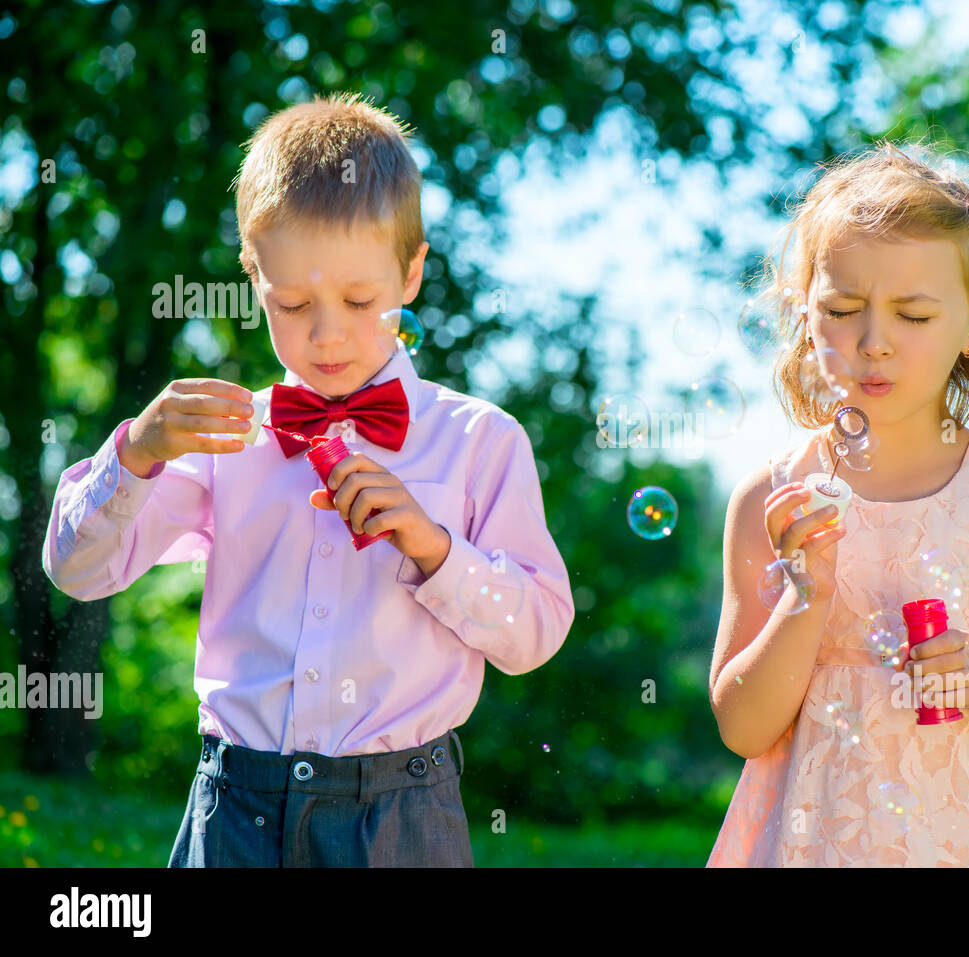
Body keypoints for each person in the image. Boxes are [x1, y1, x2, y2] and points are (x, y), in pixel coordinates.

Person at [41, 93, 575, 867]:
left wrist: (434, 546)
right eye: (291, 303)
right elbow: (77, 570)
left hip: (400, 817)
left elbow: (535, 631)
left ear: (412, 271)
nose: (326, 334)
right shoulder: (223, 437)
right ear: (253, 277)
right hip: (234, 809)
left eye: (360, 300)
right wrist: (136, 453)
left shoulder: (480, 441)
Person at [707, 142, 969, 866]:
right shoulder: (774, 498)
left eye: (913, 316)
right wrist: (806, 595)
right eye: (843, 308)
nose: (874, 341)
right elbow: (742, 726)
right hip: (824, 839)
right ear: (806, 312)